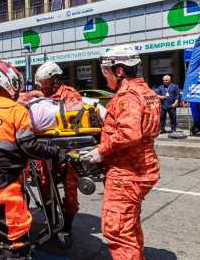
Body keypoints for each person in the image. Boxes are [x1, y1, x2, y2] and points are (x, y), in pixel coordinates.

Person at [0, 60, 68, 259]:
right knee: (15, 244)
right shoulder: (15, 111)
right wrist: (55, 152)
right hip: (4, 191)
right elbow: (30, 146)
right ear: (10, 83)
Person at [81, 45, 161, 260]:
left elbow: (129, 134)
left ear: (119, 71)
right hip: (142, 167)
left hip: (127, 173)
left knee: (117, 230)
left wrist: (101, 150)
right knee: (129, 225)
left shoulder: (127, 96)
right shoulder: (148, 92)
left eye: (106, 73)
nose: (105, 79)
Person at [33, 60, 83, 247]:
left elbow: (76, 125)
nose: (41, 86)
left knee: (70, 190)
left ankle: (66, 226)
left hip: (67, 150)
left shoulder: (70, 95)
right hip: (45, 151)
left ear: (54, 79)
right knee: (45, 186)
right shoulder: (39, 96)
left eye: (44, 82)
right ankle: (52, 221)